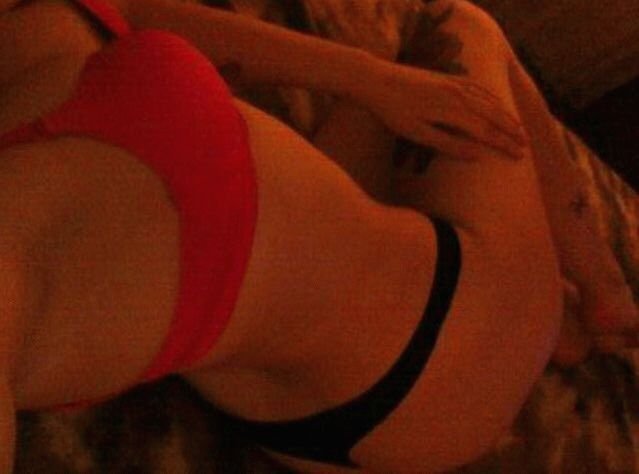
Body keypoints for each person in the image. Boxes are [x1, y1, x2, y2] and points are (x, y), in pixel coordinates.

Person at [0, 0, 634, 473]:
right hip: (441, 355)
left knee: (418, 76)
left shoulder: (47, 21)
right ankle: (605, 290)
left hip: (294, 396)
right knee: (466, 22)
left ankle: (564, 306)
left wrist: (377, 82)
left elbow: (151, 17)